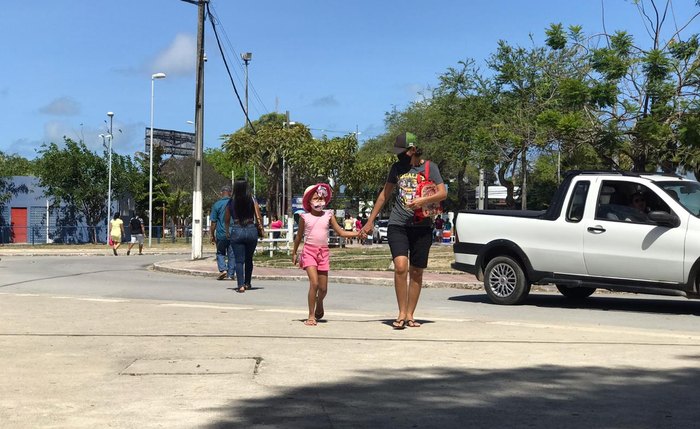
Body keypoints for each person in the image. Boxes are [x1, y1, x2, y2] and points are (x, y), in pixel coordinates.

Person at [361, 132, 447, 329]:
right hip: (397, 224)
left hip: (422, 226)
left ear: (413, 149)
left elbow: (443, 193)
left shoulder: (429, 167)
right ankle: (400, 312)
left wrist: (422, 201)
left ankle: (410, 315)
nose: (399, 156)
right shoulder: (397, 168)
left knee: (416, 272)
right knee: (401, 267)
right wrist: (370, 221)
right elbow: (384, 195)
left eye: (403, 152)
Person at [292, 183, 358, 326]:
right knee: (314, 283)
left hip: (323, 253)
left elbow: (341, 232)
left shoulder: (329, 215)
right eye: (315, 199)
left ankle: (319, 301)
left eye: (321, 198)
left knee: (323, 288)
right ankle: (311, 315)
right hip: (309, 251)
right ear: (309, 201)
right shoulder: (305, 217)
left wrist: (358, 233)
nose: (319, 201)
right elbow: (298, 236)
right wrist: (294, 252)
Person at [225, 180, 262, 293]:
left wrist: (227, 231)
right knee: (249, 259)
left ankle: (240, 285)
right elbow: (258, 215)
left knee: (239, 260)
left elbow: (226, 218)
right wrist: (261, 228)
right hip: (251, 229)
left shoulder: (231, 202)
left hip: (237, 229)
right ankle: (248, 283)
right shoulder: (252, 200)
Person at [210, 185, 234, 280]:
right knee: (232, 254)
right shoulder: (234, 204)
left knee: (220, 252)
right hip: (233, 233)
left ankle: (223, 270)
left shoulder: (216, 205)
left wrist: (212, 234)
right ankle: (231, 274)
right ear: (230, 193)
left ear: (221, 193)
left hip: (221, 233)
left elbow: (213, 222)